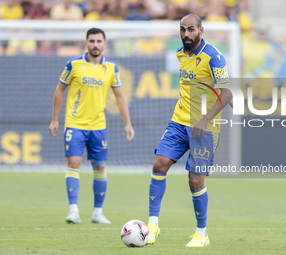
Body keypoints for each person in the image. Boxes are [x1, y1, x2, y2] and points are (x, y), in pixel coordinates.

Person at [147, 14, 232, 247]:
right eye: (183, 29)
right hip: (179, 121)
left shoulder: (213, 57)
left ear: (201, 31)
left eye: (191, 29)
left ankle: (201, 234)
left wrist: (204, 120)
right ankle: (152, 225)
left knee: (195, 181)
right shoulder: (180, 54)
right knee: (159, 164)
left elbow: (227, 93)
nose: (186, 34)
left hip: (205, 127)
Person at [49, 28, 135, 224]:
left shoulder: (112, 68)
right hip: (75, 124)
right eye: (91, 41)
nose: (95, 45)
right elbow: (60, 90)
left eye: (98, 41)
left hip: (98, 125)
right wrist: (55, 119)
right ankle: (74, 211)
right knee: (74, 164)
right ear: (86, 43)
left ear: (105, 44)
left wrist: (128, 123)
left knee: (100, 166)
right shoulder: (74, 64)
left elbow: (120, 97)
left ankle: (97, 213)